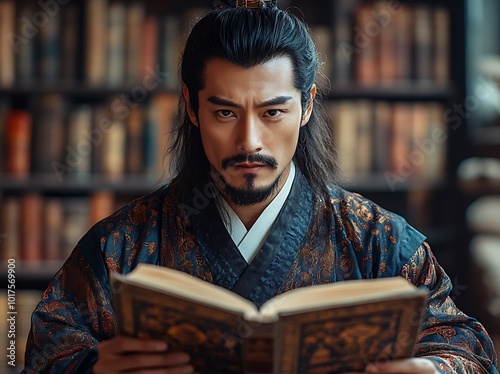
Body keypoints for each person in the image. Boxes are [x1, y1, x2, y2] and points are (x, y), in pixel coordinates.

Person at [23, 0, 497, 373]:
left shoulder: (377, 242)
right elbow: (48, 350)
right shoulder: (120, 247)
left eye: (272, 112)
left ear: (307, 105)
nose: (249, 141)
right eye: (225, 112)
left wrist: (432, 369)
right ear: (191, 106)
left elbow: (468, 350)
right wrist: (92, 368)